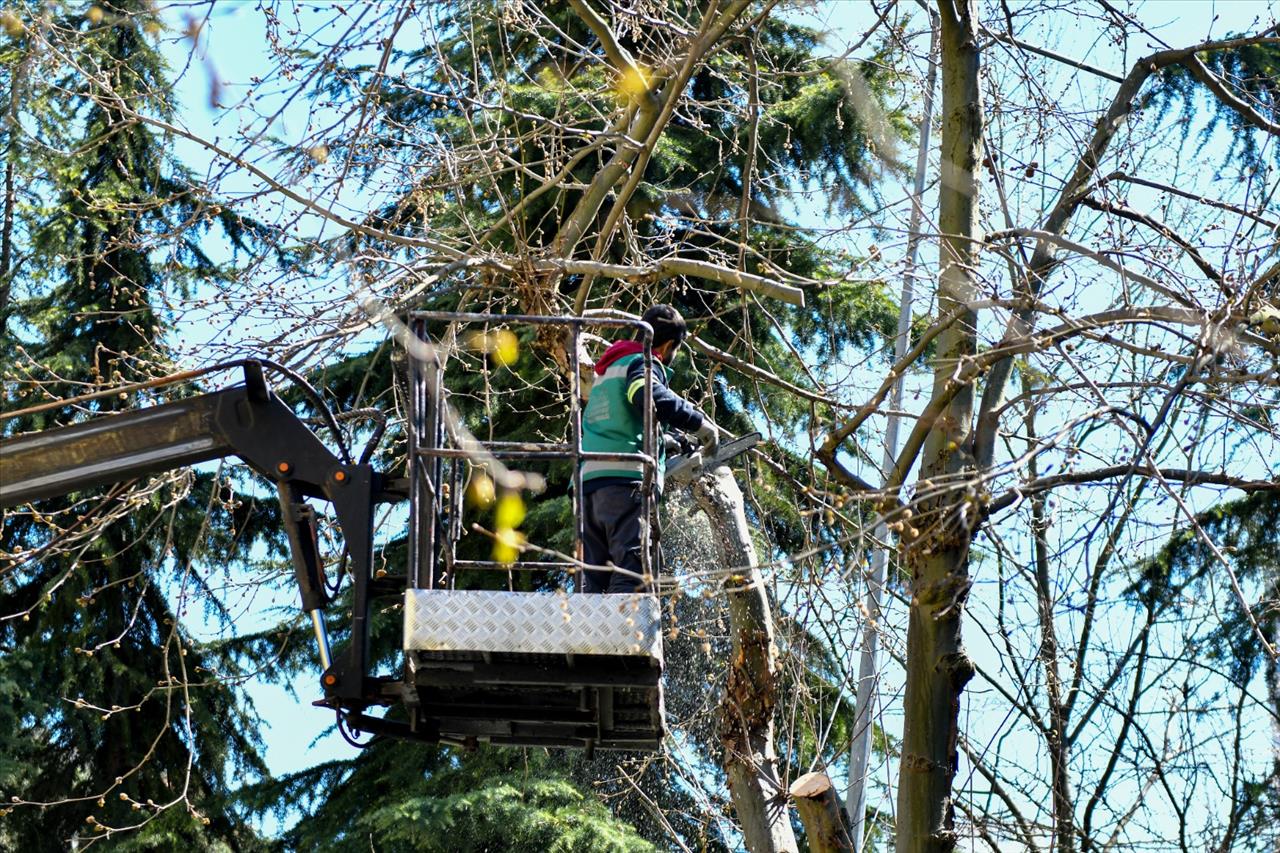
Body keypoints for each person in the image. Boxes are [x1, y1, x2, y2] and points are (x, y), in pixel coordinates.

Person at [578, 304, 717, 594]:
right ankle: (622, 638)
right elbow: (646, 392)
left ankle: (589, 638)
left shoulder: (607, 372)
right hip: (624, 480)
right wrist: (699, 423)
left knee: (596, 579)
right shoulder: (641, 362)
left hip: (587, 486)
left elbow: (620, 419)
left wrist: (663, 440)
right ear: (668, 345)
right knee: (633, 575)